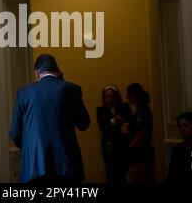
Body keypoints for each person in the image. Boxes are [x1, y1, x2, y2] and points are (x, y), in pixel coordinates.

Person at [10, 54, 90, 184]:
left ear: (36, 73)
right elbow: (84, 124)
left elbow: (15, 133)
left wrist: (31, 146)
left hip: (34, 168)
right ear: (58, 71)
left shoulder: (23, 94)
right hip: (67, 166)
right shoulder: (71, 89)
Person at [96, 85, 132, 182]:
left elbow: (130, 121)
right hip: (109, 144)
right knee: (111, 170)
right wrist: (114, 120)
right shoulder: (101, 110)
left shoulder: (124, 107)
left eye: (111, 96)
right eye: (107, 96)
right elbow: (102, 126)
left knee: (125, 170)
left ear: (116, 96)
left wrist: (124, 123)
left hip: (123, 143)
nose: (109, 99)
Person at [125, 82, 154, 183]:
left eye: (128, 95)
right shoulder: (142, 109)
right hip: (143, 154)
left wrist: (130, 149)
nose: (126, 97)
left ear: (133, 96)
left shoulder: (141, 111)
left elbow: (140, 133)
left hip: (140, 155)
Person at [167, 111, 192, 183]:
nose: (182, 129)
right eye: (180, 126)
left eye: (186, 125)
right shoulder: (177, 149)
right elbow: (171, 174)